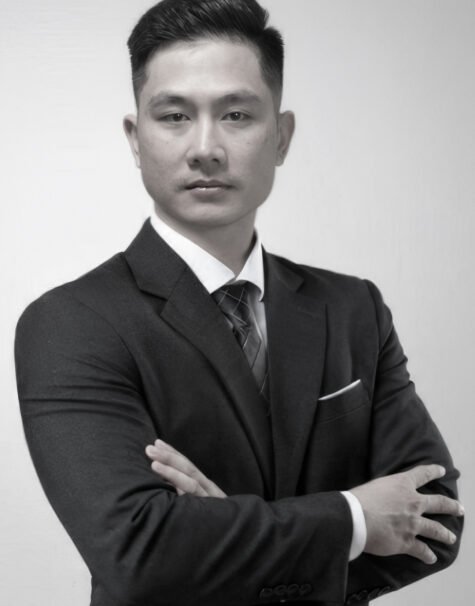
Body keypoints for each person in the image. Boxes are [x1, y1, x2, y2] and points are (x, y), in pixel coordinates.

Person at [15, 1, 463, 605]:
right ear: (136, 138)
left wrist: (222, 536)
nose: (206, 148)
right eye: (174, 116)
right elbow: (139, 552)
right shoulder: (70, 325)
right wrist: (354, 518)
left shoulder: (353, 308)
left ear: (281, 136)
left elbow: (435, 520)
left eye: (235, 114)